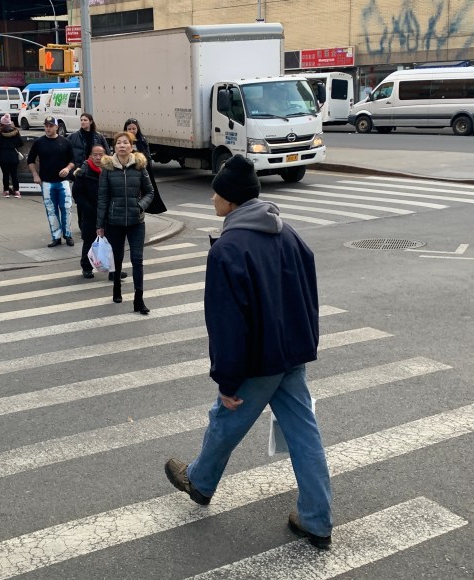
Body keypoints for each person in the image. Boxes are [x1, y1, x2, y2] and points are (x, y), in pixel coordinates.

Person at [164, 154, 333, 550]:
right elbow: (308, 294)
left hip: (258, 361)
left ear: (232, 200)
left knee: (226, 418)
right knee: (304, 434)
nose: (212, 199)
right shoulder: (288, 233)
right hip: (291, 354)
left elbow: (227, 323)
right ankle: (316, 519)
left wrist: (226, 378)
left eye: (216, 193)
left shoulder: (228, 248)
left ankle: (200, 482)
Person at [96, 131, 154, 313]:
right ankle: (117, 288)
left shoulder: (139, 166)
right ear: (115, 147)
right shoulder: (108, 169)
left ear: (131, 146)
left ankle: (139, 299)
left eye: (125, 143)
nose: (122, 145)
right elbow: (103, 197)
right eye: (119, 143)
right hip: (115, 221)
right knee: (118, 257)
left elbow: (150, 192)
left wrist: (140, 206)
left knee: (137, 259)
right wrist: (100, 225)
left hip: (137, 221)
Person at [28, 116, 76, 247]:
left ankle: (68, 234)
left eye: (50, 126)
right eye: (46, 126)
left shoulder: (65, 142)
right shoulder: (39, 142)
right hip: (47, 182)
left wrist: (67, 168)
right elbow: (30, 160)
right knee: (51, 210)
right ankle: (56, 236)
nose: (48, 128)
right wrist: (35, 175)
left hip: (63, 182)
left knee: (66, 208)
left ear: (56, 127)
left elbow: (73, 160)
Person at [72, 144, 106, 279]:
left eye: (101, 155)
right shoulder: (83, 172)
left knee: (111, 241)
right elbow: (77, 194)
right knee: (89, 240)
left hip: (106, 212)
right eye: (95, 155)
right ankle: (86, 267)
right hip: (90, 213)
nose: (98, 158)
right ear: (90, 156)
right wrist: (88, 208)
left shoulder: (109, 170)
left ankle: (112, 269)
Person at [124, 118, 167, 214]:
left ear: (137, 129)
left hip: (142, 169)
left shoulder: (142, 139)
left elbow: (147, 155)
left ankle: (144, 208)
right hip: (128, 171)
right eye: (129, 129)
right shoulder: (123, 140)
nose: (132, 131)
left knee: (146, 191)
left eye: (134, 128)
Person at [0, 113, 24, 197]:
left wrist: (1, 145)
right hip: (13, 154)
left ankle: (6, 191)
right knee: (14, 174)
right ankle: (17, 191)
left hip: (2, 155)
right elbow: (21, 143)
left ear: (1, 123)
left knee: (5, 174)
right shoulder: (16, 131)